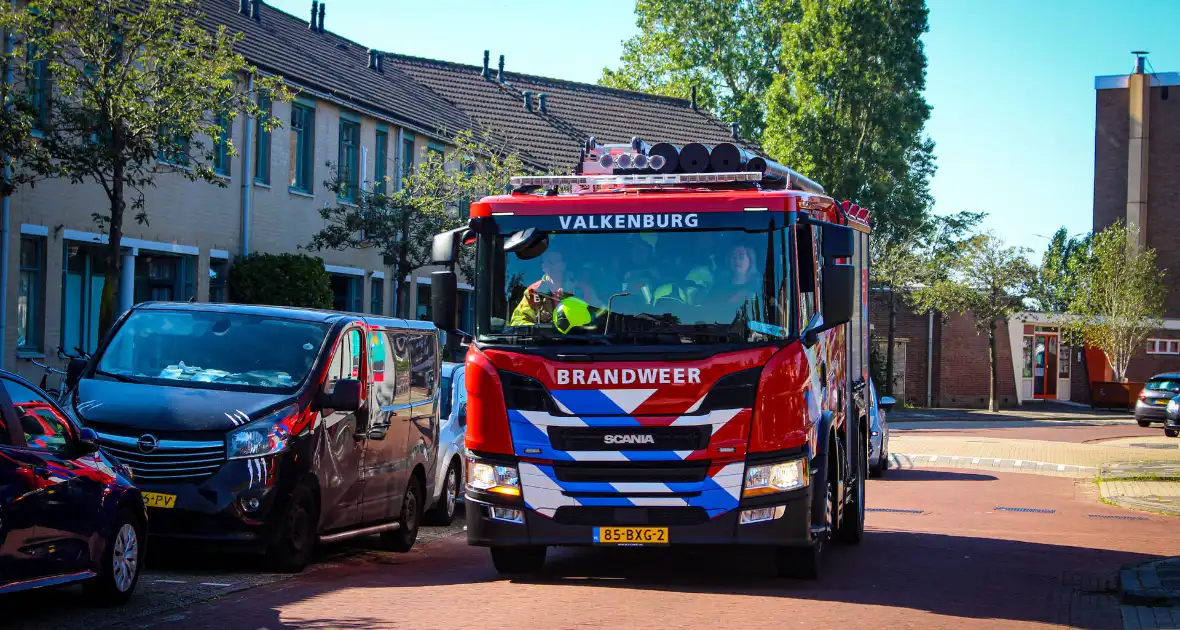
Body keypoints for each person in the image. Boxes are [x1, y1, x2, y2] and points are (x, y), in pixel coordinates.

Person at [509, 251, 599, 326]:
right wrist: (536, 330)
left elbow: (600, 318)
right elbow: (517, 320)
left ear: (563, 265)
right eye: (545, 262)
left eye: (552, 262)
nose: (548, 265)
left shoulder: (582, 290)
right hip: (543, 344)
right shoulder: (533, 291)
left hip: (577, 343)